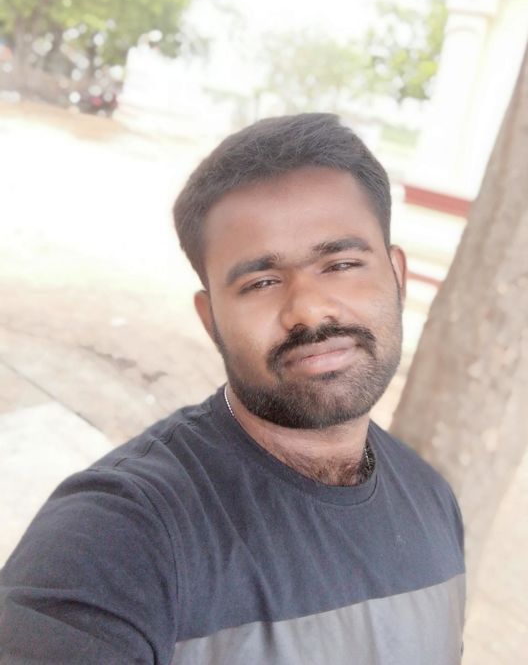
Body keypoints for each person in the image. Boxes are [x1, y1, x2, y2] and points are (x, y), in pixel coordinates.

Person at [0, 113, 465, 664]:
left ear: (397, 276)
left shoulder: (432, 502)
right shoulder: (119, 533)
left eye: (341, 264)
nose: (308, 309)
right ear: (211, 319)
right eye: (261, 282)